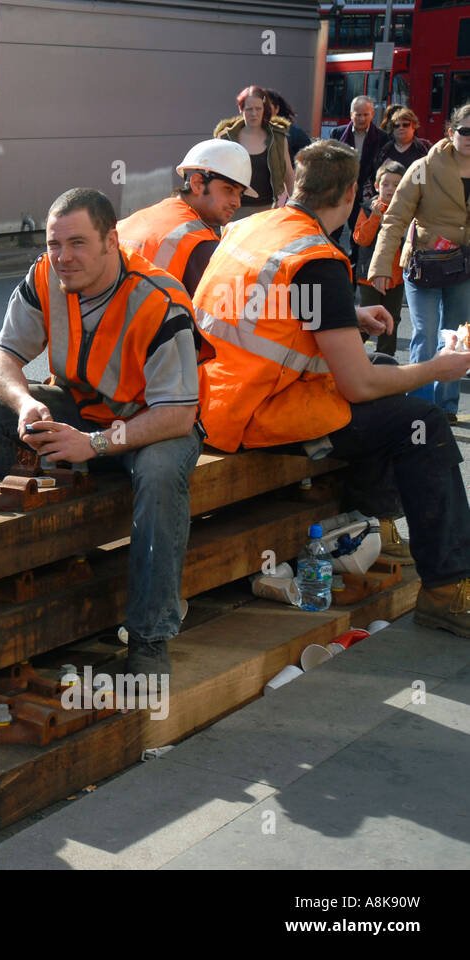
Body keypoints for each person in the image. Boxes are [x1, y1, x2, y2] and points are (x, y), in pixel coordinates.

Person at [193, 139, 470, 633]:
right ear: (348, 196)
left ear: (298, 187)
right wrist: (438, 368)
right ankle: (447, 586)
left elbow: (261, 310)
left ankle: (377, 526)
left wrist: (347, 316)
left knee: (384, 368)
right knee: (420, 421)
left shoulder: (252, 227)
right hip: (257, 414)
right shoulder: (317, 258)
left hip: (214, 398)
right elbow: (359, 385)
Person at [0, 188, 212, 678]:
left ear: (111, 241)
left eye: (77, 243)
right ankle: (9, 585)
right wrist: (25, 401)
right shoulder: (44, 277)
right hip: (86, 410)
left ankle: (150, 638)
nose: (63, 257)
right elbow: (3, 360)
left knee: (160, 477)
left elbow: (178, 416)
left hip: (153, 426)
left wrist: (93, 445)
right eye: (54, 244)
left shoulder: (159, 300)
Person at [370, 102, 470, 424]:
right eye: (465, 131)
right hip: (424, 263)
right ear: (451, 132)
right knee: (426, 334)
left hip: (464, 266)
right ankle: (419, 405)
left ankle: (447, 407)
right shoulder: (424, 167)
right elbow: (395, 219)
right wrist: (381, 266)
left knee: (456, 336)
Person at [116, 139, 252, 295]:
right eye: (228, 189)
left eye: (240, 194)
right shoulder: (200, 243)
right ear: (197, 183)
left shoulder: (128, 223)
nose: (237, 203)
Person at [214, 85, 294, 219]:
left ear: (265, 109)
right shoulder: (226, 138)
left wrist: (296, 207)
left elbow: (289, 176)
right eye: (249, 109)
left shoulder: (278, 137)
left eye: (258, 109)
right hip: (233, 212)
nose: (254, 114)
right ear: (241, 109)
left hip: (268, 211)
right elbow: (215, 177)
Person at [353, 161, 406, 357]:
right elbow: (362, 239)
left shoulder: (406, 210)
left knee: (392, 318)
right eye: (385, 184)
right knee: (368, 318)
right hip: (369, 276)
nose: (390, 189)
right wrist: (375, 216)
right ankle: (353, 355)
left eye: (396, 184)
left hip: (397, 276)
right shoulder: (368, 208)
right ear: (377, 186)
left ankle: (386, 358)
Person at [329, 95, 386, 239]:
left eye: (366, 115)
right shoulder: (338, 133)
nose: (362, 118)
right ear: (351, 115)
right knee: (333, 232)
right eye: (358, 115)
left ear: (372, 114)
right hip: (341, 191)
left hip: (365, 193)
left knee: (359, 233)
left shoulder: (382, 137)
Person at [369, 106, 431, 200]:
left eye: (405, 125)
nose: (401, 128)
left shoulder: (424, 148)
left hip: (416, 200)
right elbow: (373, 176)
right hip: (389, 202)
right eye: (396, 125)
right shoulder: (384, 150)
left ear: (413, 127)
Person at [264, 88, 312, 162]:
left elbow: (308, 163)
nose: (262, 111)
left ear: (276, 109)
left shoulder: (295, 134)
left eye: (267, 107)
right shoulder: (246, 133)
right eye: (259, 108)